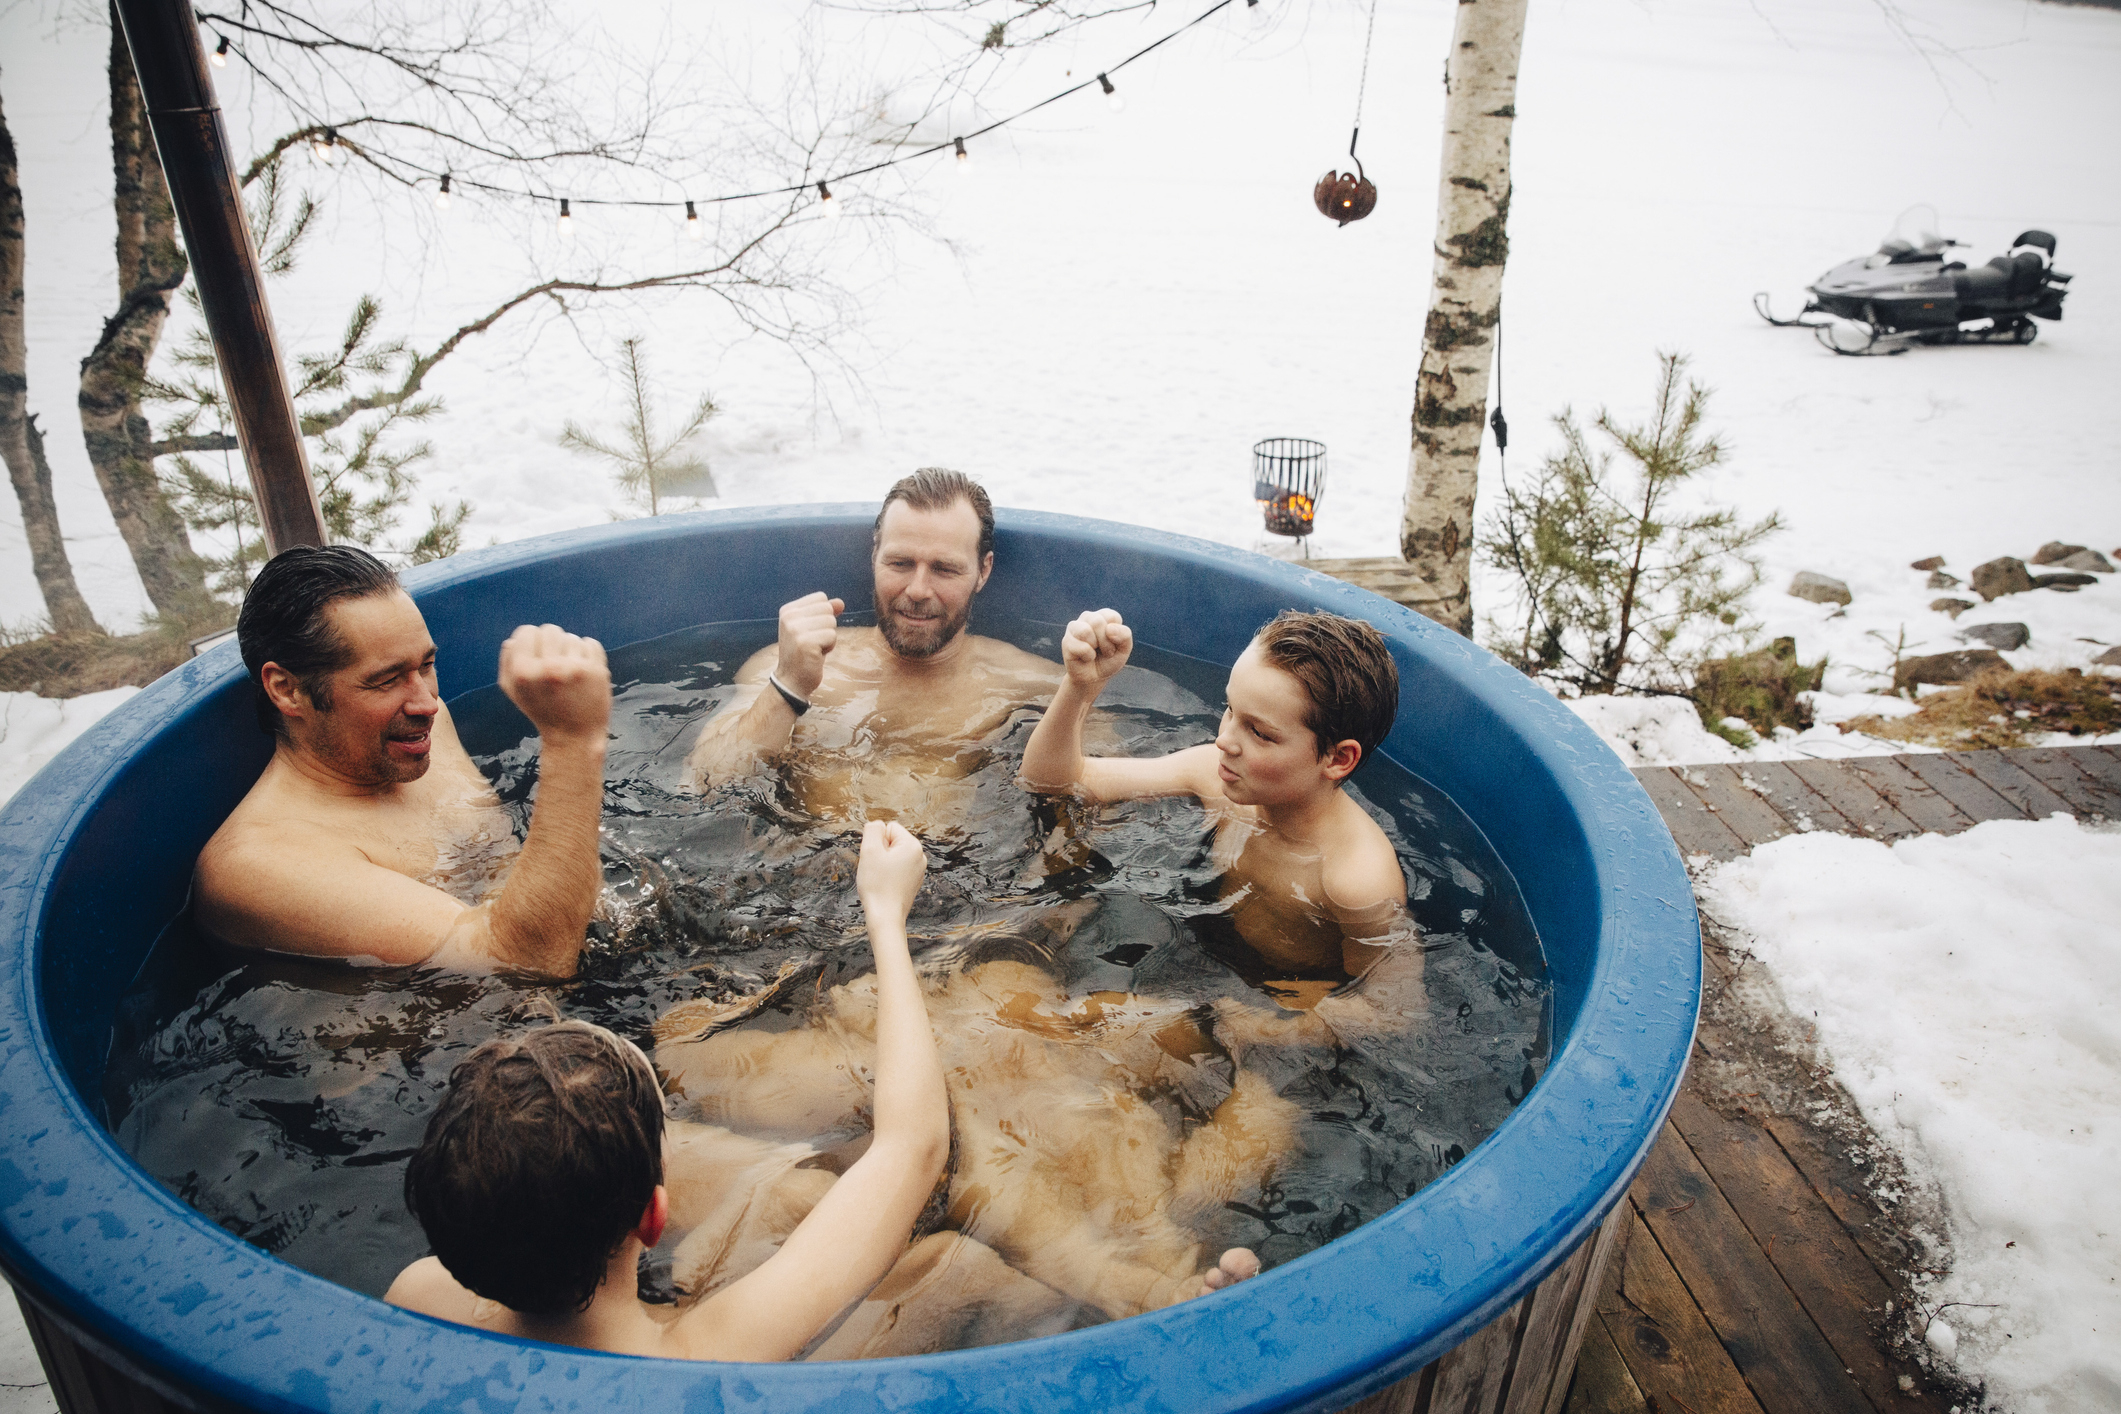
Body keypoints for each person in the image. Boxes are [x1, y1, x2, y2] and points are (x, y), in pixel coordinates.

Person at [386, 821, 955, 1361]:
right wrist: (885, 914)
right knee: (958, 1262)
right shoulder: (709, 1353)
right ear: (655, 1218)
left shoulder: (422, 1297)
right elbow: (912, 1147)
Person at [193, 545, 611, 977]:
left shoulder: (417, 728)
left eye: (426, 665)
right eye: (387, 680)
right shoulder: (260, 864)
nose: (426, 703)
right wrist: (571, 742)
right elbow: (524, 964)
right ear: (286, 689)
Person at [1020, 607, 1413, 1002]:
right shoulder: (1214, 773)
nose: (1224, 739)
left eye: (1259, 733)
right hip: (1199, 951)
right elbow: (1052, 782)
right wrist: (1080, 689)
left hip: (1281, 1002)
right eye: (1229, 709)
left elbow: (1389, 1010)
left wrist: (1257, 1026)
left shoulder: (1358, 879)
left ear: (1338, 759)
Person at [683, 469, 1058, 827]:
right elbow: (701, 787)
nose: (917, 589)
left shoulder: (1032, 683)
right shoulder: (786, 663)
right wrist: (789, 686)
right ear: (874, 554)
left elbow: (1085, 798)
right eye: (900, 563)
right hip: (799, 868)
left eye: (944, 569)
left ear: (983, 570)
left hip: (952, 878)